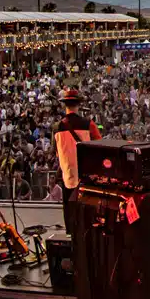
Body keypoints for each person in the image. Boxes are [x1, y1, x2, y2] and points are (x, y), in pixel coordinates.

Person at [53, 87, 101, 237]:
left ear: (65, 105)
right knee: (88, 206)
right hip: (86, 173)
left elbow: (56, 152)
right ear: (78, 105)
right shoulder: (88, 124)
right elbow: (99, 145)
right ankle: (88, 232)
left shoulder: (57, 127)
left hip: (68, 173)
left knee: (69, 206)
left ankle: (70, 233)